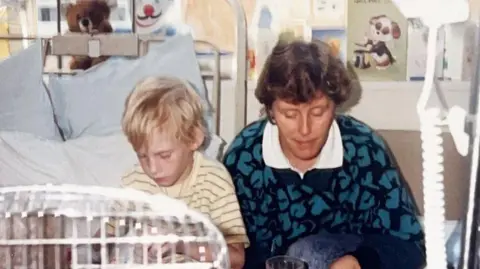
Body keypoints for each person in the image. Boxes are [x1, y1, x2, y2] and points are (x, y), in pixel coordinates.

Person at [223, 40, 426, 269]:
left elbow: (409, 244)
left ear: (335, 106)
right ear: (271, 110)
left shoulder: (364, 150)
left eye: (318, 112)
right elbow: (225, 250)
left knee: (308, 253)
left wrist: (359, 262)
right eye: (290, 114)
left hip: (339, 258)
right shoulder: (244, 156)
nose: (305, 129)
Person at [104, 76, 248, 268]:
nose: (153, 169)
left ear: (194, 139)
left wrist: (183, 245)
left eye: (164, 155)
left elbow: (237, 259)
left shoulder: (214, 180)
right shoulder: (134, 182)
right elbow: (106, 236)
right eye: (143, 156)